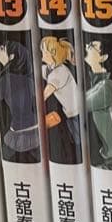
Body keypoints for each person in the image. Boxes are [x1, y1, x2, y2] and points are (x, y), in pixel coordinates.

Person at [83, 39, 112, 170]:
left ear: (103, 57)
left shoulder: (107, 86)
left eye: (91, 46)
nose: (86, 46)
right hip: (110, 156)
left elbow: (78, 105)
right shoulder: (97, 83)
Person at [0, 39, 41, 163]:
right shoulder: (29, 80)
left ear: (11, 57)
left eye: (2, 48)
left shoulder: (5, 80)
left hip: (18, 133)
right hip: (35, 129)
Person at [40, 35, 82, 165]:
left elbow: (45, 95)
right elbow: (41, 70)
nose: (41, 53)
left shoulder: (60, 72)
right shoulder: (51, 68)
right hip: (70, 114)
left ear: (52, 53)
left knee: (78, 144)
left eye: (44, 50)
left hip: (76, 116)